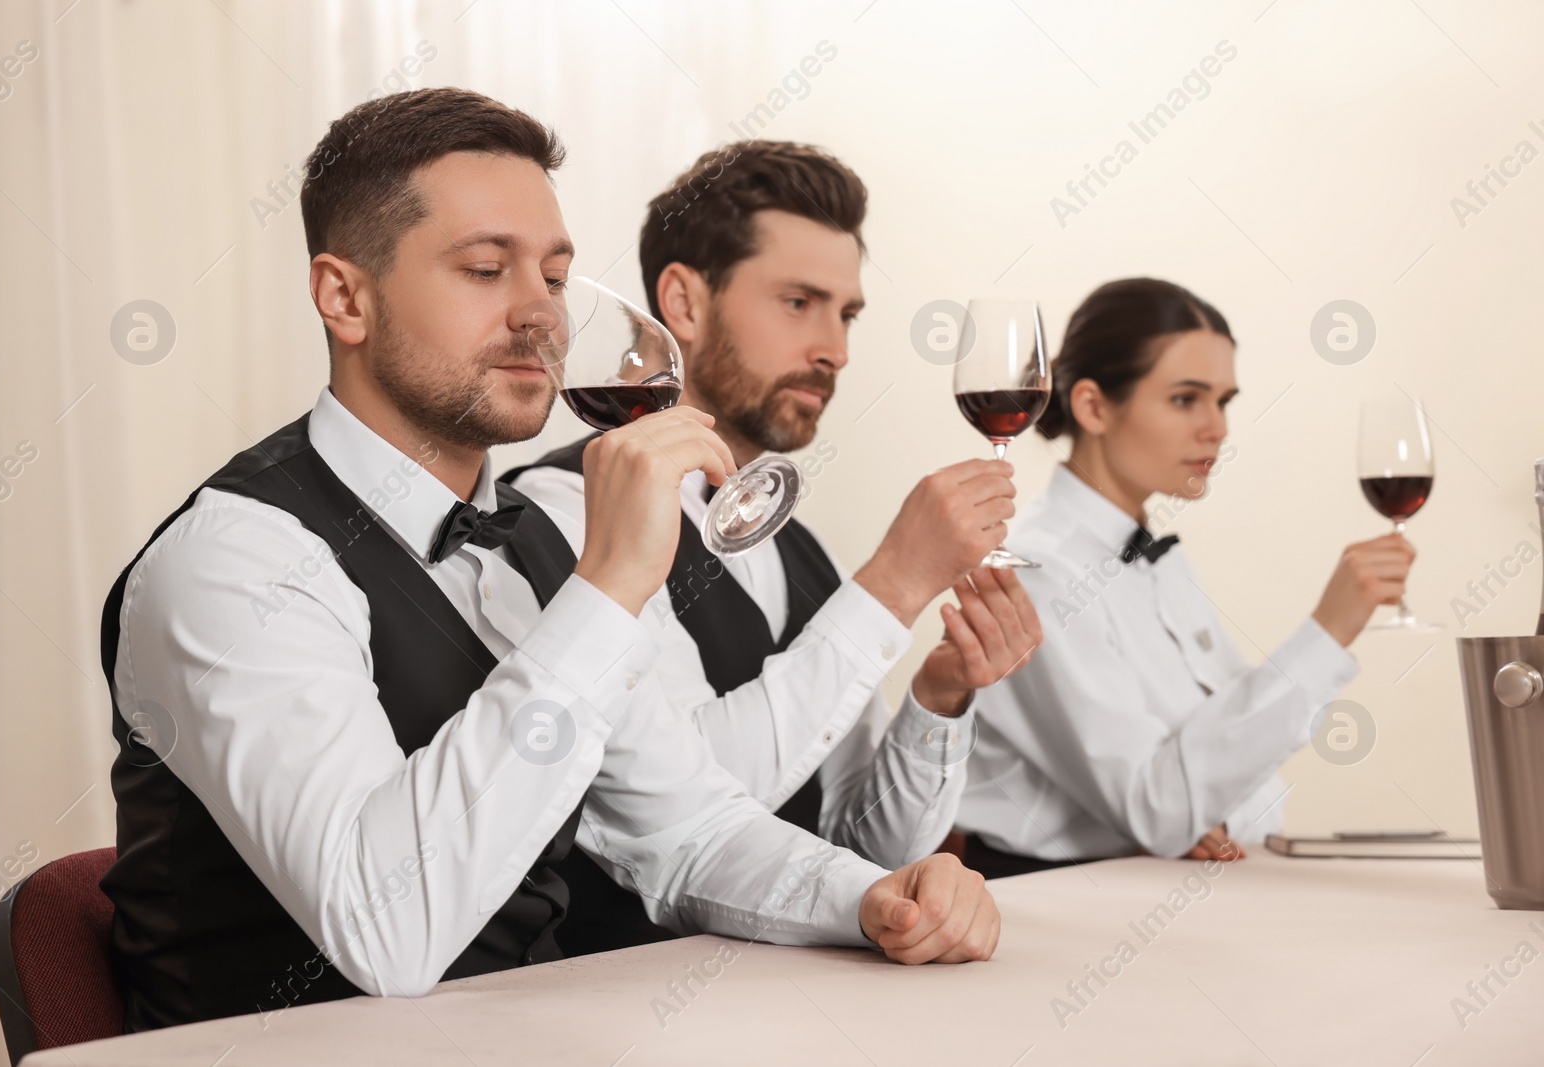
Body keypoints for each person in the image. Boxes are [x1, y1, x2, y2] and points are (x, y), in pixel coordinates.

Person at [99, 88, 999, 1033]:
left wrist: (874, 899)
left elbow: (685, 832)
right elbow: (384, 931)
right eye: (487, 269)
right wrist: (608, 589)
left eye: (557, 277)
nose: (541, 314)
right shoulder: (233, 559)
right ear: (345, 297)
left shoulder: (528, 541)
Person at [507, 141, 1042, 953]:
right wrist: (893, 585)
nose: (836, 348)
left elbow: (863, 845)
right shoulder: (566, 514)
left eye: (847, 313)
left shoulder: (803, 551)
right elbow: (696, 811)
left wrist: (938, 698)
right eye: (799, 302)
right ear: (682, 302)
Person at [953, 277, 1416, 877]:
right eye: (1185, 399)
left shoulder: (1156, 555)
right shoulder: (1040, 573)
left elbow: (1232, 787)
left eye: (1223, 401)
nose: (1217, 427)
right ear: (1093, 406)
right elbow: (1163, 809)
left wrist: (1194, 805)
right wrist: (1327, 634)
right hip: (1044, 905)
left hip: (1155, 889)